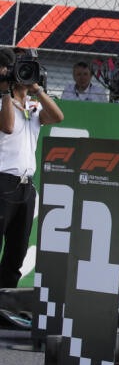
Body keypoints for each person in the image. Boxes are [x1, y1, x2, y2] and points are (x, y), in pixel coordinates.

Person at [0, 48, 64, 287]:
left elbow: (57, 116)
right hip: (3, 182)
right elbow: (6, 126)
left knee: (17, 250)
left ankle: (5, 304)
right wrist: (7, 91)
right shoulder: (2, 102)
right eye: (22, 70)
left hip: (26, 187)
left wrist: (37, 89)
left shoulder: (34, 108)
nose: (25, 76)